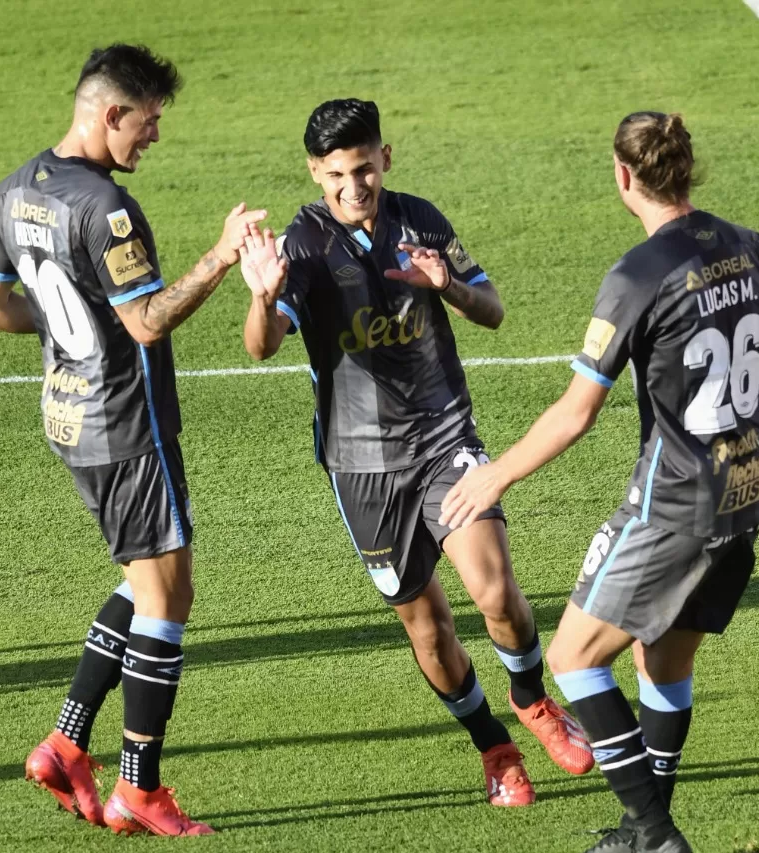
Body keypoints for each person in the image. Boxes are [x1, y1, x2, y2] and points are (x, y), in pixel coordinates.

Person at [439, 111, 759, 852]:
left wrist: (494, 474)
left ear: (623, 176)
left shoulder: (637, 275)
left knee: (571, 659)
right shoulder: (753, 249)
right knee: (661, 659)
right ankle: (641, 829)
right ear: (688, 169)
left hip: (672, 507)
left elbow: (577, 412)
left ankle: (657, 834)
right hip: (744, 494)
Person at [237, 98, 594, 809]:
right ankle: (494, 746)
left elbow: (492, 310)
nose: (352, 186)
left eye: (363, 168)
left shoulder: (421, 220)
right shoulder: (303, 245)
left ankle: (533, 699)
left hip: (444, 438)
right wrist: (263, 296)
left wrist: (448, 286)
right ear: (315, 172)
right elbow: (262, 343)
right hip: (362, 465)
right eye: (335, 173)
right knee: (426, 627)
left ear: (385, 159)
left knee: (494, 590)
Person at [0, 44, 267, 837]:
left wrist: (77, 328)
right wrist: (221, 256)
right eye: (149, 122)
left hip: (67, 414)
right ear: (111, 114)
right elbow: (145, 321)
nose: (154, 138)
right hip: (126, 423)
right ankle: (139, 785)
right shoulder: (107, 210)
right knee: (169, 595)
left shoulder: (13, 190)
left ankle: (67, 743)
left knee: (143, 581)